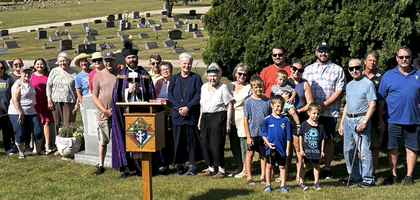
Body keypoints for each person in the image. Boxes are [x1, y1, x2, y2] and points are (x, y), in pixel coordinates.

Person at [112, 42, 160, 178]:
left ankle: (143, 168)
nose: (131, 60)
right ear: (125, 60)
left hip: (142, 112)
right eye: (129, 58)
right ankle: (127, 168)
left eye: (133, 57)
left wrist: (140, 92)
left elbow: (151, 94)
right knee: (126, 138)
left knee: (142, 138)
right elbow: (116, 96)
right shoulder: (121, 76)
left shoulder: (144, 74)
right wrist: (128, 91)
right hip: (125, 113)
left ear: (137, 58)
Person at [303, 41, 346, 179]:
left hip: (329, 111)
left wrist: (325, 104)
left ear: (330, 53)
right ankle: (311, 167)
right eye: (321, 51)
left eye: (326, 51)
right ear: (316, 52)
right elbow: (303, 88)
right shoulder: (308, 69)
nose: (323, 53)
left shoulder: (338, 69)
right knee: (311, 139)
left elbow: (339, 90)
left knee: (328, 139)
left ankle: (327, 168)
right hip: (311, 113)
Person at [378, 46, 420, 186]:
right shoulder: (388, 75)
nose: (404, 59)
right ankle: (393, 175)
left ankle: (409, 176)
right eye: (401, 57)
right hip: (392, 119)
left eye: (407, 57)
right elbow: (381, 99)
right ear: (397, 58)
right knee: (392, 148)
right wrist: (380, 120)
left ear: (410, 58)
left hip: (414, 119)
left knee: (412, 148)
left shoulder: (418, 74)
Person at [339, 59, 376, 188]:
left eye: (357, 68)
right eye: (351, 69)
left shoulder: (368, 84)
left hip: (361, 119)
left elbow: (372, 105)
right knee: (348, 150)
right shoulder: (349, 85)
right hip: (348, 120)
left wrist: (364, 122)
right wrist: (342, 122)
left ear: (362, 67)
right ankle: (354, 176)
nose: (354, 70)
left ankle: (368, 179)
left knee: (364, 151)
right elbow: (347, 104)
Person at [168, 53, 203, 175]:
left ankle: (192, 165)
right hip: (177, 116)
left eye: (189, 63)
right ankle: (180, 165)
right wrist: (179, 108)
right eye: (184, 63)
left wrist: (188, 107)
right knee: (179, 142)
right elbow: (170, 95)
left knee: (191, 141)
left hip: (191, 115)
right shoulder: (174, 78)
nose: (186, 66)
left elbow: (198, 95)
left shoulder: (196, 78)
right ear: (180, 64)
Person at [198, 63, 233, 179]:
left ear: (219, 76)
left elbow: (229, 104)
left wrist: (228, 121)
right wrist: (200, 119)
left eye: (215, 76)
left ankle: (221, 169)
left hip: (218, 117)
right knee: (205, 144)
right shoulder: (203, 87)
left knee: (216, 144)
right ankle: (211, 167)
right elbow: (202, 105)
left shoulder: (222, 88)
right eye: (210, 76)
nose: (212, 78)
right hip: (205, 117)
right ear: (207, 76)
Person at [92, 51, 121, 175]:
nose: (109, 63)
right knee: (103, 141)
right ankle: (101, 165)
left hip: (119, 113)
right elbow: (94, 96)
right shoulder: (98, 76)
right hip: (104, 114)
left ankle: (121, 163)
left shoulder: (121, 74)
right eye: (106, 61)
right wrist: (104, 110)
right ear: (103, 62)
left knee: (119, 140)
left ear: (115, 61)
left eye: (111, 60)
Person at [287, 59, 314, 182]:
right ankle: (284, 174)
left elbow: (310, 103)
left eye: (300, 70)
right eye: (294, 68)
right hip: (285, 117)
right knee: (285, 147)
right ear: (290, 68)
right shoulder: (284, 81)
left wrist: (299, 111)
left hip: (299, 116)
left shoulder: (305, 84)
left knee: (298, 148)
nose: (297, 72)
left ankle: (299, 175)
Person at [8, 66, 44, 158]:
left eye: (29, 72)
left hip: (31, 111)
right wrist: (20, 112)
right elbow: (14, 100)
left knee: (37, 131)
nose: (27, 74)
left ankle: (38, 150)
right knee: (20, 132)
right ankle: (21, 152)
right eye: (25, 72)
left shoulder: (30, 83)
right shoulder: (17, 84)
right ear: (20, 73)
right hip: (16, 112)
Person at [226, 63, 253, 178]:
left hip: (242, 117)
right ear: (235, 74)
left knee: (243, 143)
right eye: (240, 74)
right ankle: (240, 167)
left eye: (245, 75)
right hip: (230, 118)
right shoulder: (228, 86)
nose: (242, 76)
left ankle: (246, 169)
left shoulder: (249, 88)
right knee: (234, 143)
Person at [243, 75, 270, 185]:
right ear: (252, 88)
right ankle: (249, 176)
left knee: (263, 155)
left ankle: (263, 176)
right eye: (256, 87)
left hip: (264, 133)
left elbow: (269, 118)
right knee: (250, 153)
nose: (259, 89)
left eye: (260, 87)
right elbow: (245, 119)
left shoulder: (268, 101)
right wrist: (248, 136)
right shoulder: (248, 102)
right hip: (252, 132)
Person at [262, 95, 291, 193]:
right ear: (272, 105)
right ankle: (268, 184)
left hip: (282, 148)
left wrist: (287, 149)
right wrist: (268, 144)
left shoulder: (286, 120)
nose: (279, 108)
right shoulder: (267, 120)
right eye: (277, 106)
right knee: (269, 166)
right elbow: (263, 134)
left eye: (281, 106)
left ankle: (283, 185)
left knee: (282, 167)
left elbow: (288, 136)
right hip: (271, 148)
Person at [46, 52, 78, 136]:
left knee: (68, 123)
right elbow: (48, 86)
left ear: (68, 61)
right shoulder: (54, 71)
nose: (62, 63)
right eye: (60, 61)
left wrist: (77, 103)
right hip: (56, 101)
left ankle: (68, 142)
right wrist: (49, 100)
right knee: (57, 123)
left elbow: (78, 89)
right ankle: (59, 143)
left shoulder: (74, 73)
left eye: (64, 61)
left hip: (69, 101)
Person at [362, 51, 383, 178]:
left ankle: (373, 172)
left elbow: (381, 100)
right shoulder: (358, 75)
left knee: (374, 146)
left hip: (375, 117)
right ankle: (362, 172)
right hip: (360, 116)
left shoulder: (381, 78)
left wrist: (381, 119)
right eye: (370, 60)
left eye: (374, 60)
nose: (372, 62)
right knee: (361, 146)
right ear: (365, 61)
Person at [298, 102, 327, 190]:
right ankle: (301, 182)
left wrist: (322, 151)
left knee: (316, 165)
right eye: (314, 113)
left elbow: (323, 139)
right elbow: (300, 136)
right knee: (304, 165)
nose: (316, 115)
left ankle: (316, 182)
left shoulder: (320, 126)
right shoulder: (304, 125)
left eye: (318, 113)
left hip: (316, 150)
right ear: (308, 113)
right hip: (306, 149)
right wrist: (301, 149)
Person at [29, 58, 54, 154]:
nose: (40, 66)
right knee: (36, 123)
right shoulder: (31, 76)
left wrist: (50, 100)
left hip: (47, 101)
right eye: (37, 64)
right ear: (34, 66)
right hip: (35, 103)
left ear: (45, 65)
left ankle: (47, 145)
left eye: (41, 64)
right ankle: (36, 145)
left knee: (46, 122)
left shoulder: (48, 75)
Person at [154, 61, 174, 172]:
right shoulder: (158, 83)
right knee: (164, 140)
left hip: (174, 113)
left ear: (171, 69)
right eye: (163, 69)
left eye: (167, 69)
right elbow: (154, 97)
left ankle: (179, 162)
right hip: (162, 115)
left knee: (175, 139)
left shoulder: (175, 81)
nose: (165, 71)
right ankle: (165, 163)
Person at [0, 62, 15, 155]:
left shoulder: (8, 79)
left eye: (1, 68)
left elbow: (14, 92)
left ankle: (7, 149)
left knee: (6, 132)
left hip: (6, 110)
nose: (0, 69)